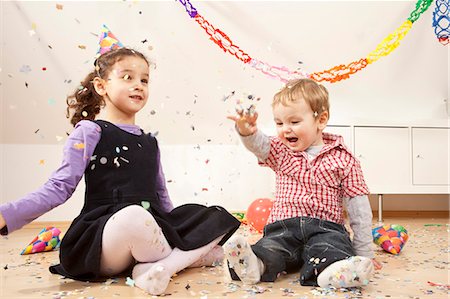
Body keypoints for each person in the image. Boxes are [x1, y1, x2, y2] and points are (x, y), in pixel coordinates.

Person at [0, 47, 240, 295]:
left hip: (150, 230)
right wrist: (6, 215)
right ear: (101, 86)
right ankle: (177, 260)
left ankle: (154, 268)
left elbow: (162, 198)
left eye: (144, 80)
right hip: (108, 237)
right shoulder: (89, 131)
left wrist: (183, 229)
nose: (138, 85)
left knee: (215, 216)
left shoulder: (150, 142)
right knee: (135, 216)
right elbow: (58, 188)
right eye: (127, 77)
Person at [225, 78, 382, 288]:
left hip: (326, 228)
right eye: (279, 123)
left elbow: (359, 209)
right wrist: (247, 130)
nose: (285, 129)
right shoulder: (280, 150)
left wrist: (364, 253)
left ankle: (332, 273)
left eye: (294, 122)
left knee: (332, 247)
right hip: (284, 226)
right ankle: (255, 265)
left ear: (321, 120)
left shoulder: (344, 159)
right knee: (272, 247)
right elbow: (259, 144)